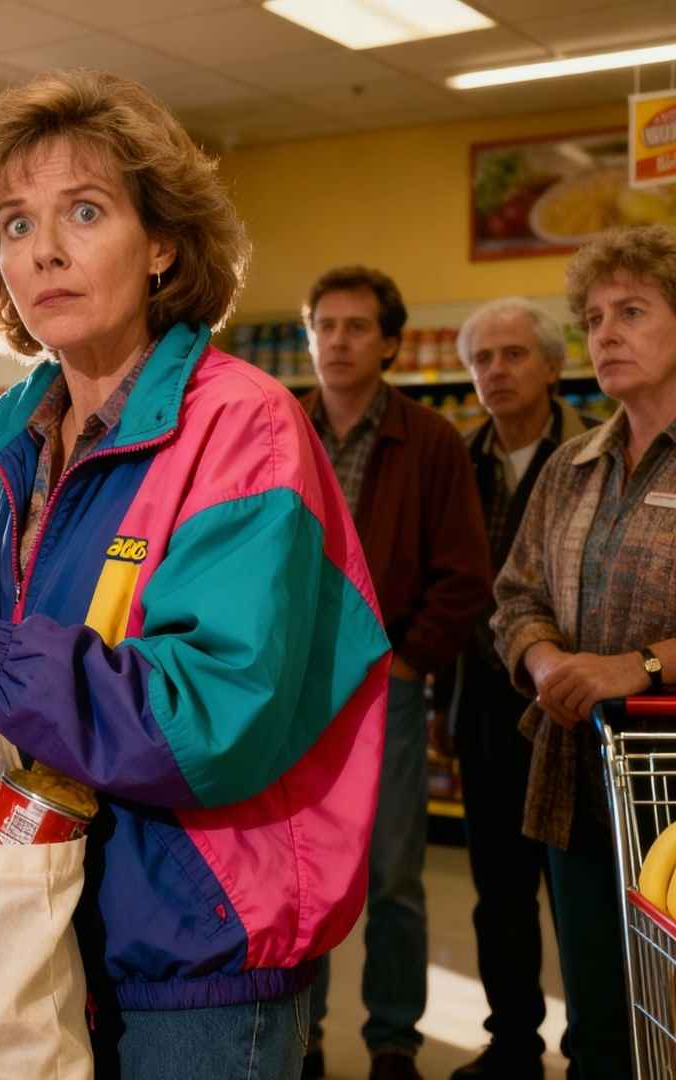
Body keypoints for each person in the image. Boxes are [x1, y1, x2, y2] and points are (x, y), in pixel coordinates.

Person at [0, 70, 388, 1079]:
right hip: (29, 916)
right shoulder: (12, 432)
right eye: (14, 224)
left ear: (162, 245)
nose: (42, 249)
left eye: (83, 212)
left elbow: (208, 722)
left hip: (196, 947)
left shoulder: (242, 427)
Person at [297, 265, 492, 1080]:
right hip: (287, 693)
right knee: (297, 870)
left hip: (387, 691)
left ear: (388, 343)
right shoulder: (276, 427)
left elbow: (464, 574)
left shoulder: (431, 440)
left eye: (355, 327)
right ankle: (300, 1035)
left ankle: (392, 1042)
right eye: (325, 326)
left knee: (394, 874)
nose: (338, 341)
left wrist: (409, 661)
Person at [492, 223, 676, 1080]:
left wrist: (635, 667)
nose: (604, 334)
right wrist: (545, 665)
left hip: (671, 791)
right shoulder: (573, 464)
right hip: (577, 782)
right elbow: (517, 595)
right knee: (601, 1023)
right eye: (595, 316)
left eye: (631, 311)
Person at [449, 298, 594, 1080]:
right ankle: (512, 1040)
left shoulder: (592, 454)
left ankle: (588, 1044)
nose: (496, 372)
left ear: (551, 365)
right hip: (485, 703)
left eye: (513, 355)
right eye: (483, 359)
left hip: (568, 703)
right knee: (497, 889)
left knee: (576, 888)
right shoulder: (459, 458)